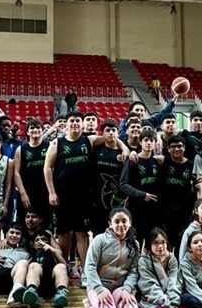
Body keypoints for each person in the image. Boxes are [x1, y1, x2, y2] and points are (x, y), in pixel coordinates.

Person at [44, 111, 128, 279]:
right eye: (72, 121)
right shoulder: (57, 143)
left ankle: (85, 270)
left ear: (82, 124)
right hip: (62, 195)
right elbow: (47, 167)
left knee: (82, 233)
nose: (75, 123)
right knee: (64, 233)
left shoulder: (89, 140)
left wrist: (124, 147)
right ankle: (64, 266)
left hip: (84, 196)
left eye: (78, 120)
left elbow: (111, 137)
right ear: (66, 124)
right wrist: (51, 192)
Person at [82, 208, 141, 308]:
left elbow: (134, 271)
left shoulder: (135, 244)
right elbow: (89, 267)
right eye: (116, 221)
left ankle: (115, 305)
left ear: (130, 223)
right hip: (99, 286)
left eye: (124, 221)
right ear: (110, 224)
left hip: (120, 287)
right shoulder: (100, 240)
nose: (121, 225)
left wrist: (127, 289)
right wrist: (99, 290)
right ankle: (89, 306)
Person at [136, 228, 192, 308]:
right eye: (155, 243)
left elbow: (174, 283)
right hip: (152, 299)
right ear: (149, 244)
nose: (160, 246)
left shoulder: (172, 259)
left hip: (170, 300)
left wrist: (173, 305)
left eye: (163, 242)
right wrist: (168, 306)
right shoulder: (144, 260)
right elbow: (150, 287)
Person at [119, 128, 164, 239]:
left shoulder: (158, 162)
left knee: (152, 241)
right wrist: (142, 195)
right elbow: (123, 185)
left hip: (154, 210)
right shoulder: (133, 161)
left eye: (151, 140)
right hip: (136, 209)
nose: (149, 143)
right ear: (140, 142)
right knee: (135, 241)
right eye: (146, 140)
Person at [15, 229, 70, 308]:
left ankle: (61, 293)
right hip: (37, 283)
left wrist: (52, 250)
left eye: (43, 239)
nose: (40, 241)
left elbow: (65, 266)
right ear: (34, 244)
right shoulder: (29, 253)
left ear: (48, 242)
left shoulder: (53, 252)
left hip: (53, 283)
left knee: (61, 266)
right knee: (34, 265)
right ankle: (32, 291)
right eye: (37, 240)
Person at [91, 120, 127, 235]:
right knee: (99, 233)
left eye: (113, 130)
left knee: (117, 233)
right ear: (102, 133)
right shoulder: (95, 150)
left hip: (117, 199)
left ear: (118, 132)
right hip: (97, 199)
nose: (111, 132)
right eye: (108, 130)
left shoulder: (124, 153)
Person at [14, 119, 52, 224]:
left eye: (38, 127)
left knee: (45, 223)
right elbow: (16, 173)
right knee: (25, 223)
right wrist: (23, 193)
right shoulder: (21, 149)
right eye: (32, 128)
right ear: (27, 132)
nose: (35, 130)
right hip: (28, 192)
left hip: (45, 191)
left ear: (42, 131)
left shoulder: (50, 146)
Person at [158, 135, 194, 242]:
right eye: (173, 147)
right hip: (166, 209)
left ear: (184, 148)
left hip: (185, 210)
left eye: (179, 146)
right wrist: (132, 153)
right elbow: (145, 157)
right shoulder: (164, 161)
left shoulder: (191, 165)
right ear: (168, 149)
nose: (177, 149)